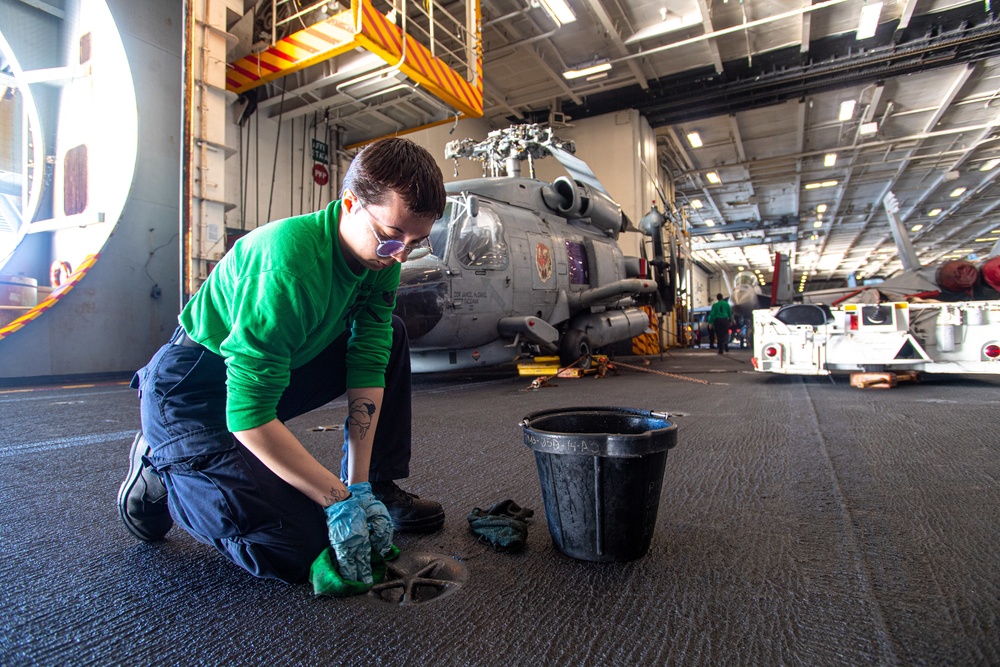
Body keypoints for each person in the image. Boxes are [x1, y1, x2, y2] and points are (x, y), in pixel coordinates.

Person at [117, 137, 447, 586]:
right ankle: (164, 464)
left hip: (273, 375)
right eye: (392, 238)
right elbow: (249, 416)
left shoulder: (381, 259)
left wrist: (360, 485)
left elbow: (368, 359)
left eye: (417, 242)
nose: (403, 255)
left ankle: (381, 487)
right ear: (349, 203)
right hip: (193, 389)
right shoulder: (287, 265)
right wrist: (335, 500)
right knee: (297, 549)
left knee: (391, 337)